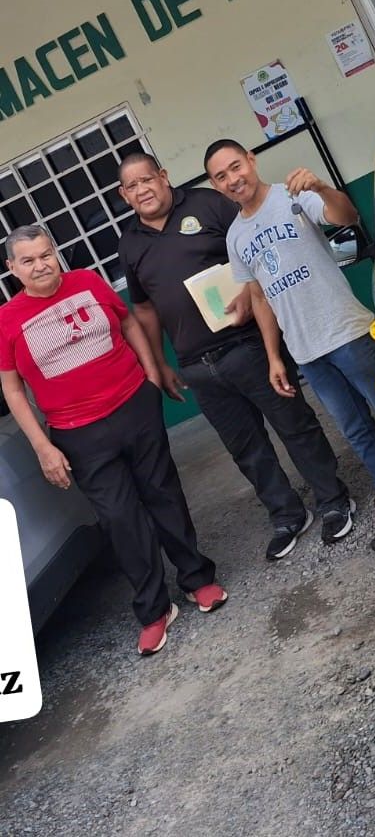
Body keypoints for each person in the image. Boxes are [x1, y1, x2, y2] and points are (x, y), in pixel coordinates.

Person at [0, 225, 225, 657]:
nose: (40, 265)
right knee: (121, 518)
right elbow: (12, 390)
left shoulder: (87, 281)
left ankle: (198, 579)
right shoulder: (8, 321)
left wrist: (151, 371)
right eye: (28, 260)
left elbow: (126, 321)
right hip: (78, 433)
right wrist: (43, 447)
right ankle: (154, 610)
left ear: (56, 252)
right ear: (12, 268)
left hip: (132, 407)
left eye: (46, 254)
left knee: (163, 494)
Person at [117, 152, 356, 558]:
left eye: (147, 179)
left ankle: (333, 500)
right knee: (246, 447)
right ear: (124, 196)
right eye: (132, 187)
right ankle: (286, 515)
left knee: (294, 424)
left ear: (163, 176)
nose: (143, 190)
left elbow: (252, 240)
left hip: (247, 344)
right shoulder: (130, 244)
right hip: (197, 365)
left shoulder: (207, 203)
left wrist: (249, 291)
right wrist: (158, 363)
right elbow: (143, 309)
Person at [203, 140, 375, 554]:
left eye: (237, 166)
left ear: (251, 160)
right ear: (216, 186)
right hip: (306, 351)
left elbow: (346, 215)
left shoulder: (294, 193)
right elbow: (260, 296)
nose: (233, 179)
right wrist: (273, 356)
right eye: (222, 176)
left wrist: (321, 188)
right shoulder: (235, 237)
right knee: (357, 432)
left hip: (347, 331)